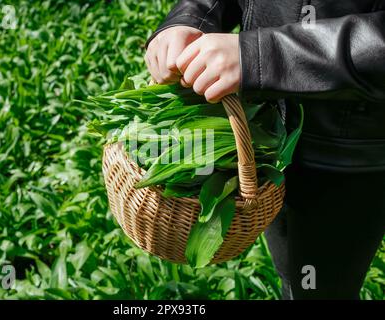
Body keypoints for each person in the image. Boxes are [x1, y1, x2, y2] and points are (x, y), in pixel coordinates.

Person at [144, 0, 385, 300]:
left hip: (347, 157)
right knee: (290, 265)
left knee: (321, 285)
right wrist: (192, 15)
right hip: (262, 127)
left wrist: (261, 57)